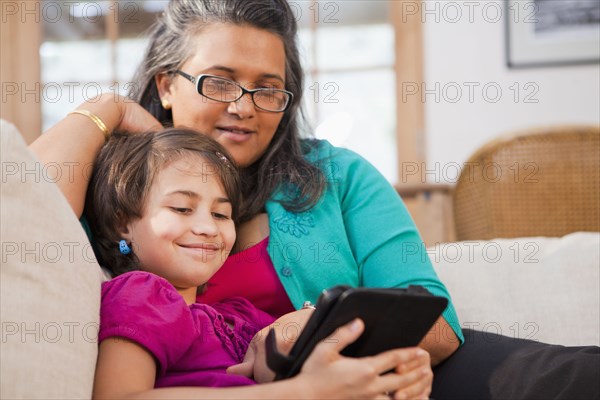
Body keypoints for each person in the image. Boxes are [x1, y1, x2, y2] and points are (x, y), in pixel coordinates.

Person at [30, 0, 598, 399]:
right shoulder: (120, 190)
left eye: (268, 87)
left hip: (399, 375)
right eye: (219, 81)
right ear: (166, 84)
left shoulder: (337, 175)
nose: (245, 105)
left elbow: (436, 320)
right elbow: (30, 218)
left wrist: (305, 329)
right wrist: (106, 112)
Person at [86, 128, 433, 399]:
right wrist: (301, 393)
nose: (208, 228)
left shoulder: (240, 316)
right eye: (181, 208)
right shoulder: (142, 295)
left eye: (222, 214)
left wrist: (389, 375)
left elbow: (306, 369)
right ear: (122, 223)